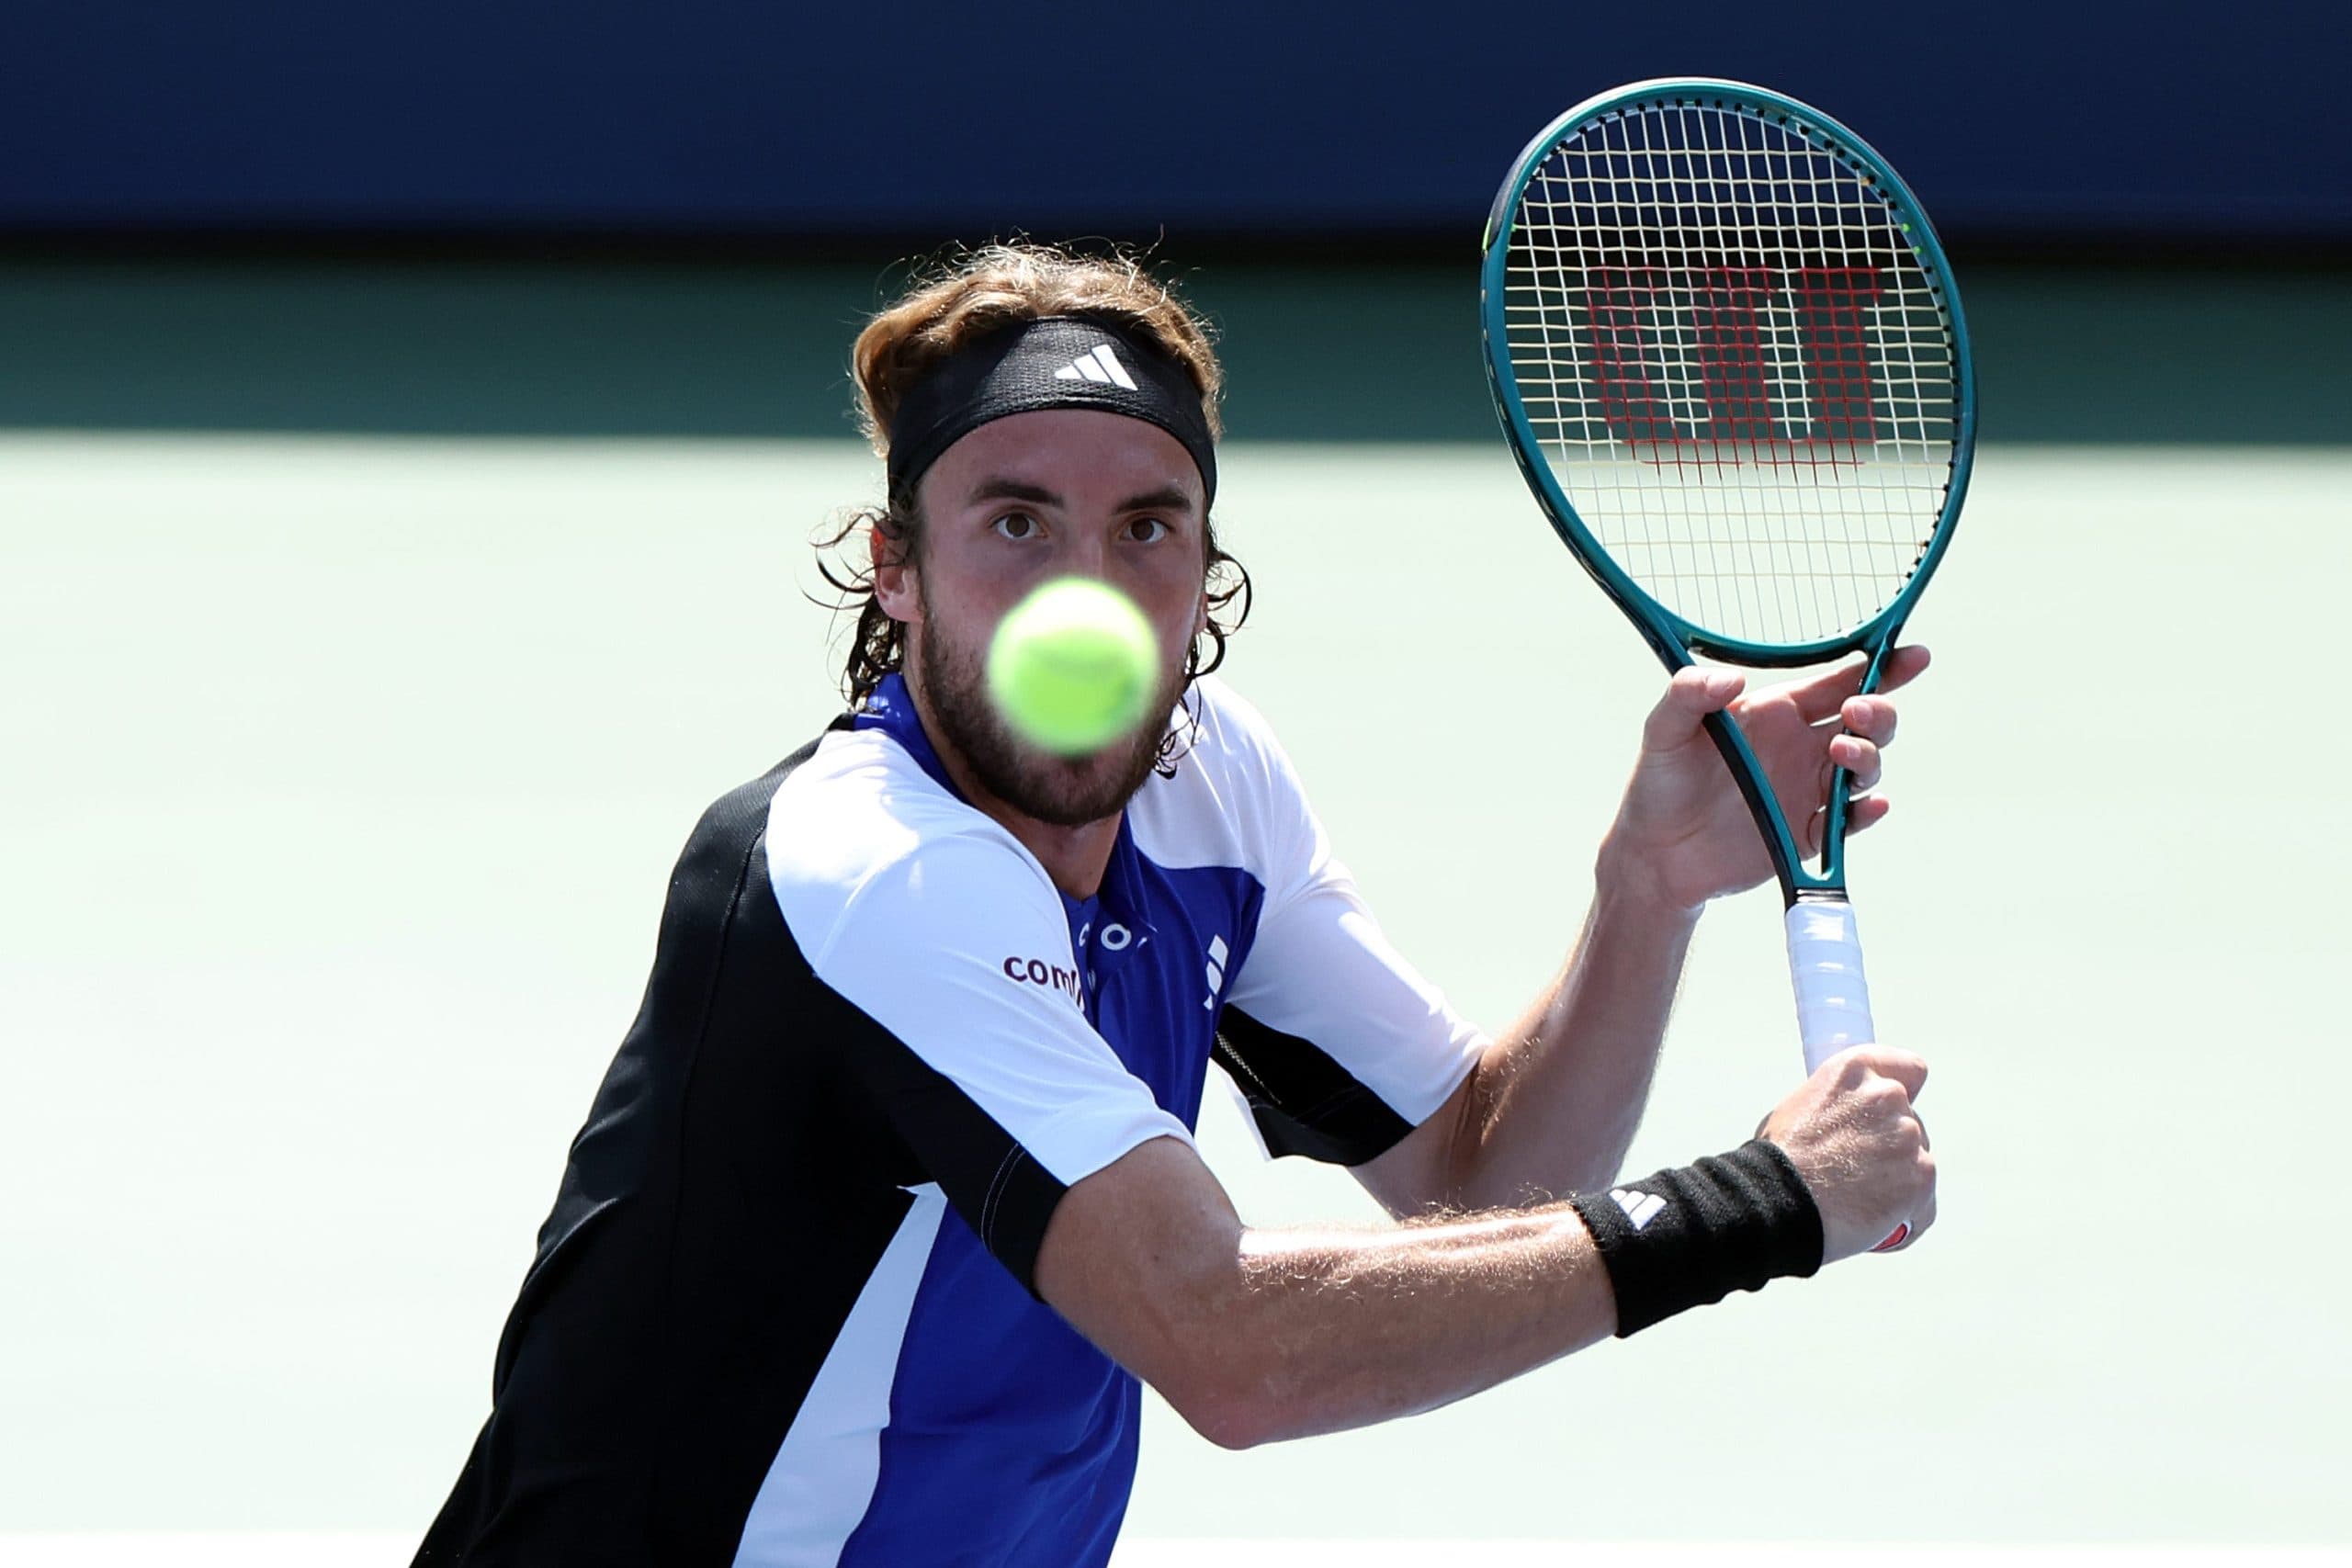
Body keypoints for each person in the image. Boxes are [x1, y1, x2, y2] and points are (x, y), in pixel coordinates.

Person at [413, 243, 1936, 1567]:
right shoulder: (872, 871)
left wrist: (1649, 891)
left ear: (1206, 572)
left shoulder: (1208, 784)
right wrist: (1763, 1205)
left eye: (1145, 528)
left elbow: (1484, 1183)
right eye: (1017, 523)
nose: (1087, 590)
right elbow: (1229, 1346)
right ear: (897, 570)